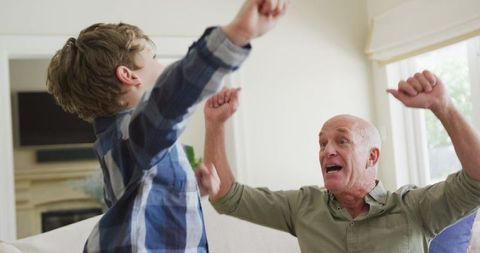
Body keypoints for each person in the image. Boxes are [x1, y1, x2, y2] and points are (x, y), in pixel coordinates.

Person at [45, 1, 290, 252]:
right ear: (129, 76)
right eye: (153, 58)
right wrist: (238, 33)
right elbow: (175, 93)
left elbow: (137, 200)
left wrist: (186, 187)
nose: (161, 65)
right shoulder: (135, 130)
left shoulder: (114, 141)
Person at [196, 70, 480, 252]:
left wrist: (443, 106)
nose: (326, 151)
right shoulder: (303, 206)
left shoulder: (414, 208)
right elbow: (226, 197)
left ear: (372, 156)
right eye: (322, 143)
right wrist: (215, 125)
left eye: (341, 141)